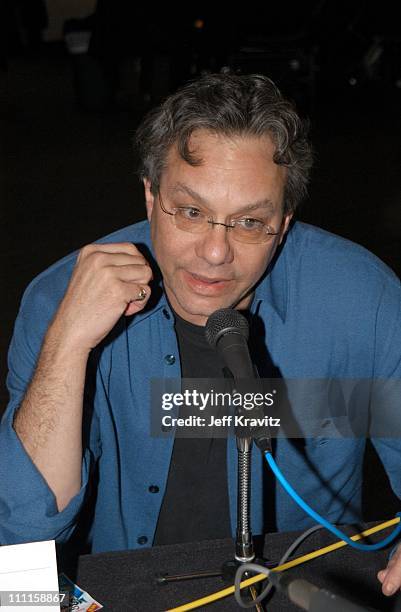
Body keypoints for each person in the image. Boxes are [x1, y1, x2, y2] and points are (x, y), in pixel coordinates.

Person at [0, 73, 400, 596]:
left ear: (284, 221)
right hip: (131, 584)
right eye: (190, 212)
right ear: (150, 196)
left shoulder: (362, 300)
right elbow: (21, 540)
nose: (215, 253)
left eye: (251, 222)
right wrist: (68, 344)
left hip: (304, 582)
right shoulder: (59, 300)